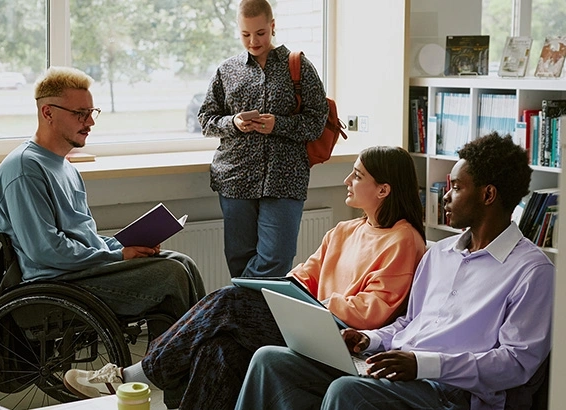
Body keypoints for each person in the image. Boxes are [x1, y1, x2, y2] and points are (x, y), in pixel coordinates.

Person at [64, 145, 427, 410]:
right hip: (306, 320)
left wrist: (314, 304)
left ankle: (131, 378)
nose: (347, 179)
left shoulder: (404, 240)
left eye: (358, 175)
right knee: (218, 348)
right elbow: (304, 274)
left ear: (384, 189)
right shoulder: (344, 230)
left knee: (228, 302)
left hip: (337, 338)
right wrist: (289, 293)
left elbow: (373, 311)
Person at [234, 132, 555, 410]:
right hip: (401, 369)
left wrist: (423, 364)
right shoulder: (440, 254)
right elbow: (410, 323)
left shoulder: (532, 272)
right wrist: (368, 340)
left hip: (454, 392)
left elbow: (515, 364)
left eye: (456, 187)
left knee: (347, 391)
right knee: (270, 360)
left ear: (488, 195)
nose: (445, 195)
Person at [0, 66, 206, 341]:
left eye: (92, 113)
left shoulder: (66, 167)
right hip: (53, 284)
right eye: (80, 114)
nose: (90, 122)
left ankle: (192, 363)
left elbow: (84, 238)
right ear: (48, 113)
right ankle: (183, 370)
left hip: (79, 273)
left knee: (181, 261)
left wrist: (125, 246)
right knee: (171, 274)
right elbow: (45, 251)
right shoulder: (24, 169)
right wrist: (118, 256)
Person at [198, 0, 329, 278]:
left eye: (260, 33)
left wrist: (278, 125)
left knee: (275, 258)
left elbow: (317, 121)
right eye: (246, 34)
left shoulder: (299, 66)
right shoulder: (227, 70)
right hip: (235, 177)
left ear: (272, 26)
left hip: (285, 177)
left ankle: (233, 310)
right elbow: (206, 120)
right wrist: (233, 122)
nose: (253, 41)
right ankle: (252, 319)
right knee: (238, 259)